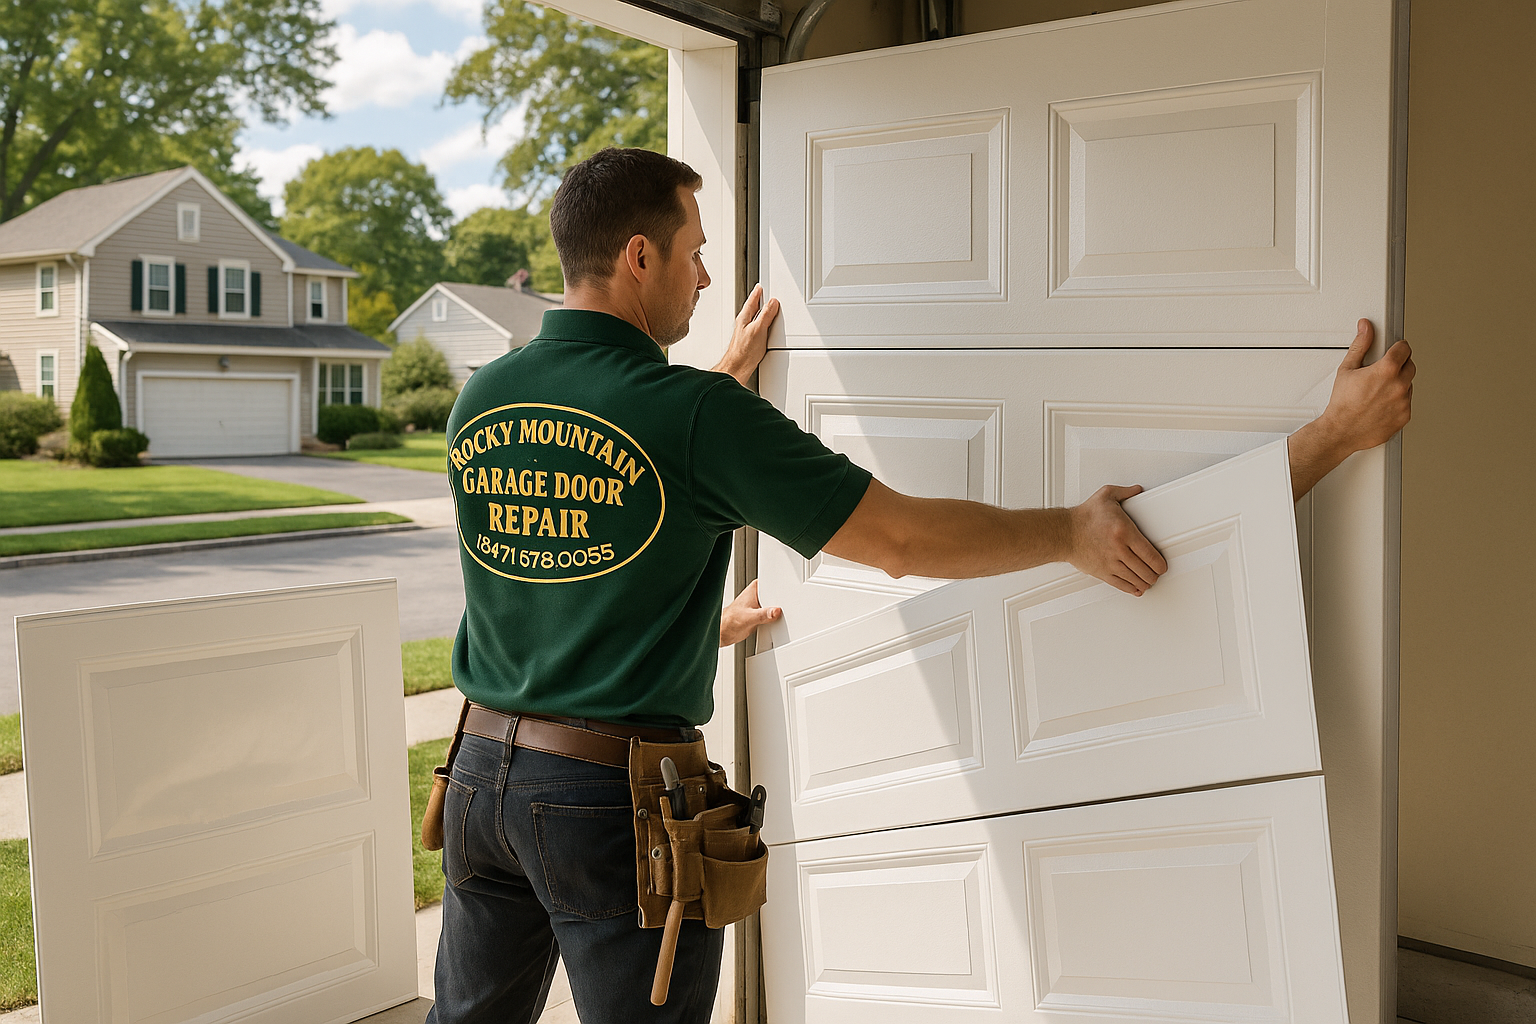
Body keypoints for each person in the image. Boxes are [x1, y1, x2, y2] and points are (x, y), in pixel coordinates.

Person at [427, 147, 1414, 1024]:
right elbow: (899, 538)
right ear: (639, 257)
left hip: (476, 778)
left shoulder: (484, 397)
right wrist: (1071, 530)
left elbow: (544, 561)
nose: (708, 276)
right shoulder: (691, 418)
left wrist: (698, 605)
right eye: (695, 252)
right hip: (605, 805)